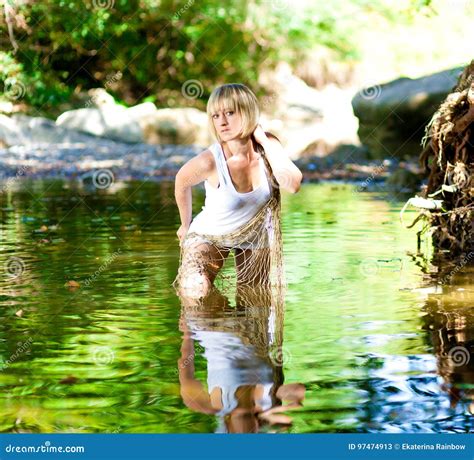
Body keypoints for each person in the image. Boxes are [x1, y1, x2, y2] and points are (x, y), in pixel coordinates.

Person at [173, 83, 303, 298]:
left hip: (254, 237)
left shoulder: (268, 146)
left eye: (230, 113)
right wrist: (184, 225)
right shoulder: (210, 161)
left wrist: (263, 140)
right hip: (211, 235)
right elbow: (181, 181)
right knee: (195, 294)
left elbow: (293, 184)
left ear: (248, 112)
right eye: (215, 116)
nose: (222, 122)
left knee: (255, 303)